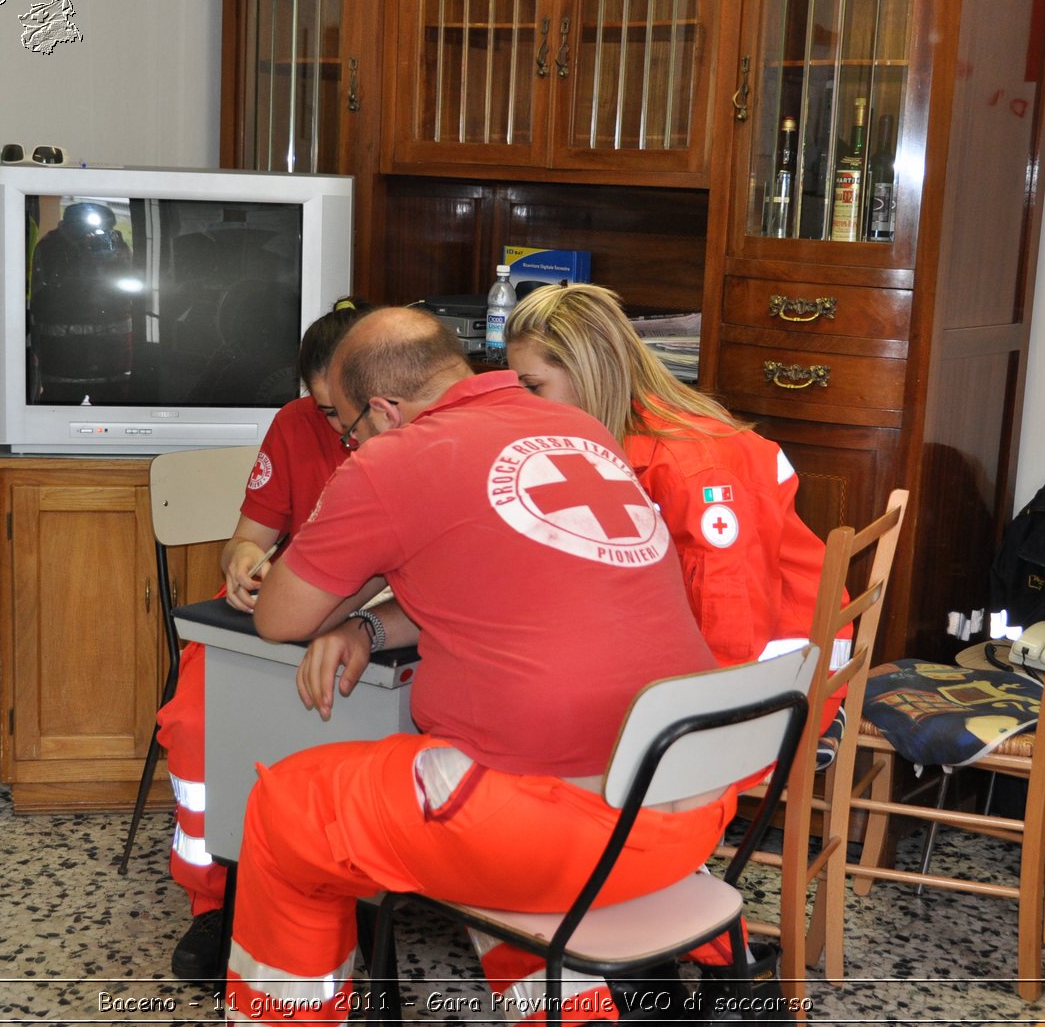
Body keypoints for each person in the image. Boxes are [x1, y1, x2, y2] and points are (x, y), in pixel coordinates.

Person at [226, 307, 729, 1025]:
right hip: (689, 808)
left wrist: (363, 565)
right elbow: (491, 579)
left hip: (562, 836)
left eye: (349, 427)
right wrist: (370, 622)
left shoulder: (392, 459)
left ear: (383, 409)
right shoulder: (580, 428)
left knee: (289, 808)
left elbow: (280, 615)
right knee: (474, 777)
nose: (350, 443)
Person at [505, 282, 843, 733]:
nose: (523, 407)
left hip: (773, 684)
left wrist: (693, 729)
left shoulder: (694, 469)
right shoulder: (625, 435)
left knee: (550, 729)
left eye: (532, 387)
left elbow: (731, 628)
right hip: (718, 652)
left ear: (589, 371)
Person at [154, 298, 373, 979]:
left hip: (363, 631)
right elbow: (248, 536)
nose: (330, 425)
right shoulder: (294, 422)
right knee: (192, 724)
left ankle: (357, 892)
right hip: (267, 621)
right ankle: (213, 901)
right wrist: (243, 562)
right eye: (319, 406)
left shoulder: (415, 438)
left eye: (341, 410)